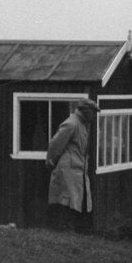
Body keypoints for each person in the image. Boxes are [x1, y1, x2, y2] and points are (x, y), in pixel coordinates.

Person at [46, 97, 98, 231]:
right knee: (67, 199)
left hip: (78, 168)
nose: (94, 115)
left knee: (75, 199)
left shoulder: (84, 124)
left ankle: (70, 228)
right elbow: (55, 145)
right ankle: (65, 228)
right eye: (93, 112)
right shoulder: (71, 124)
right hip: (68, 168)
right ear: (86, 111)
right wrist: (51, 162)